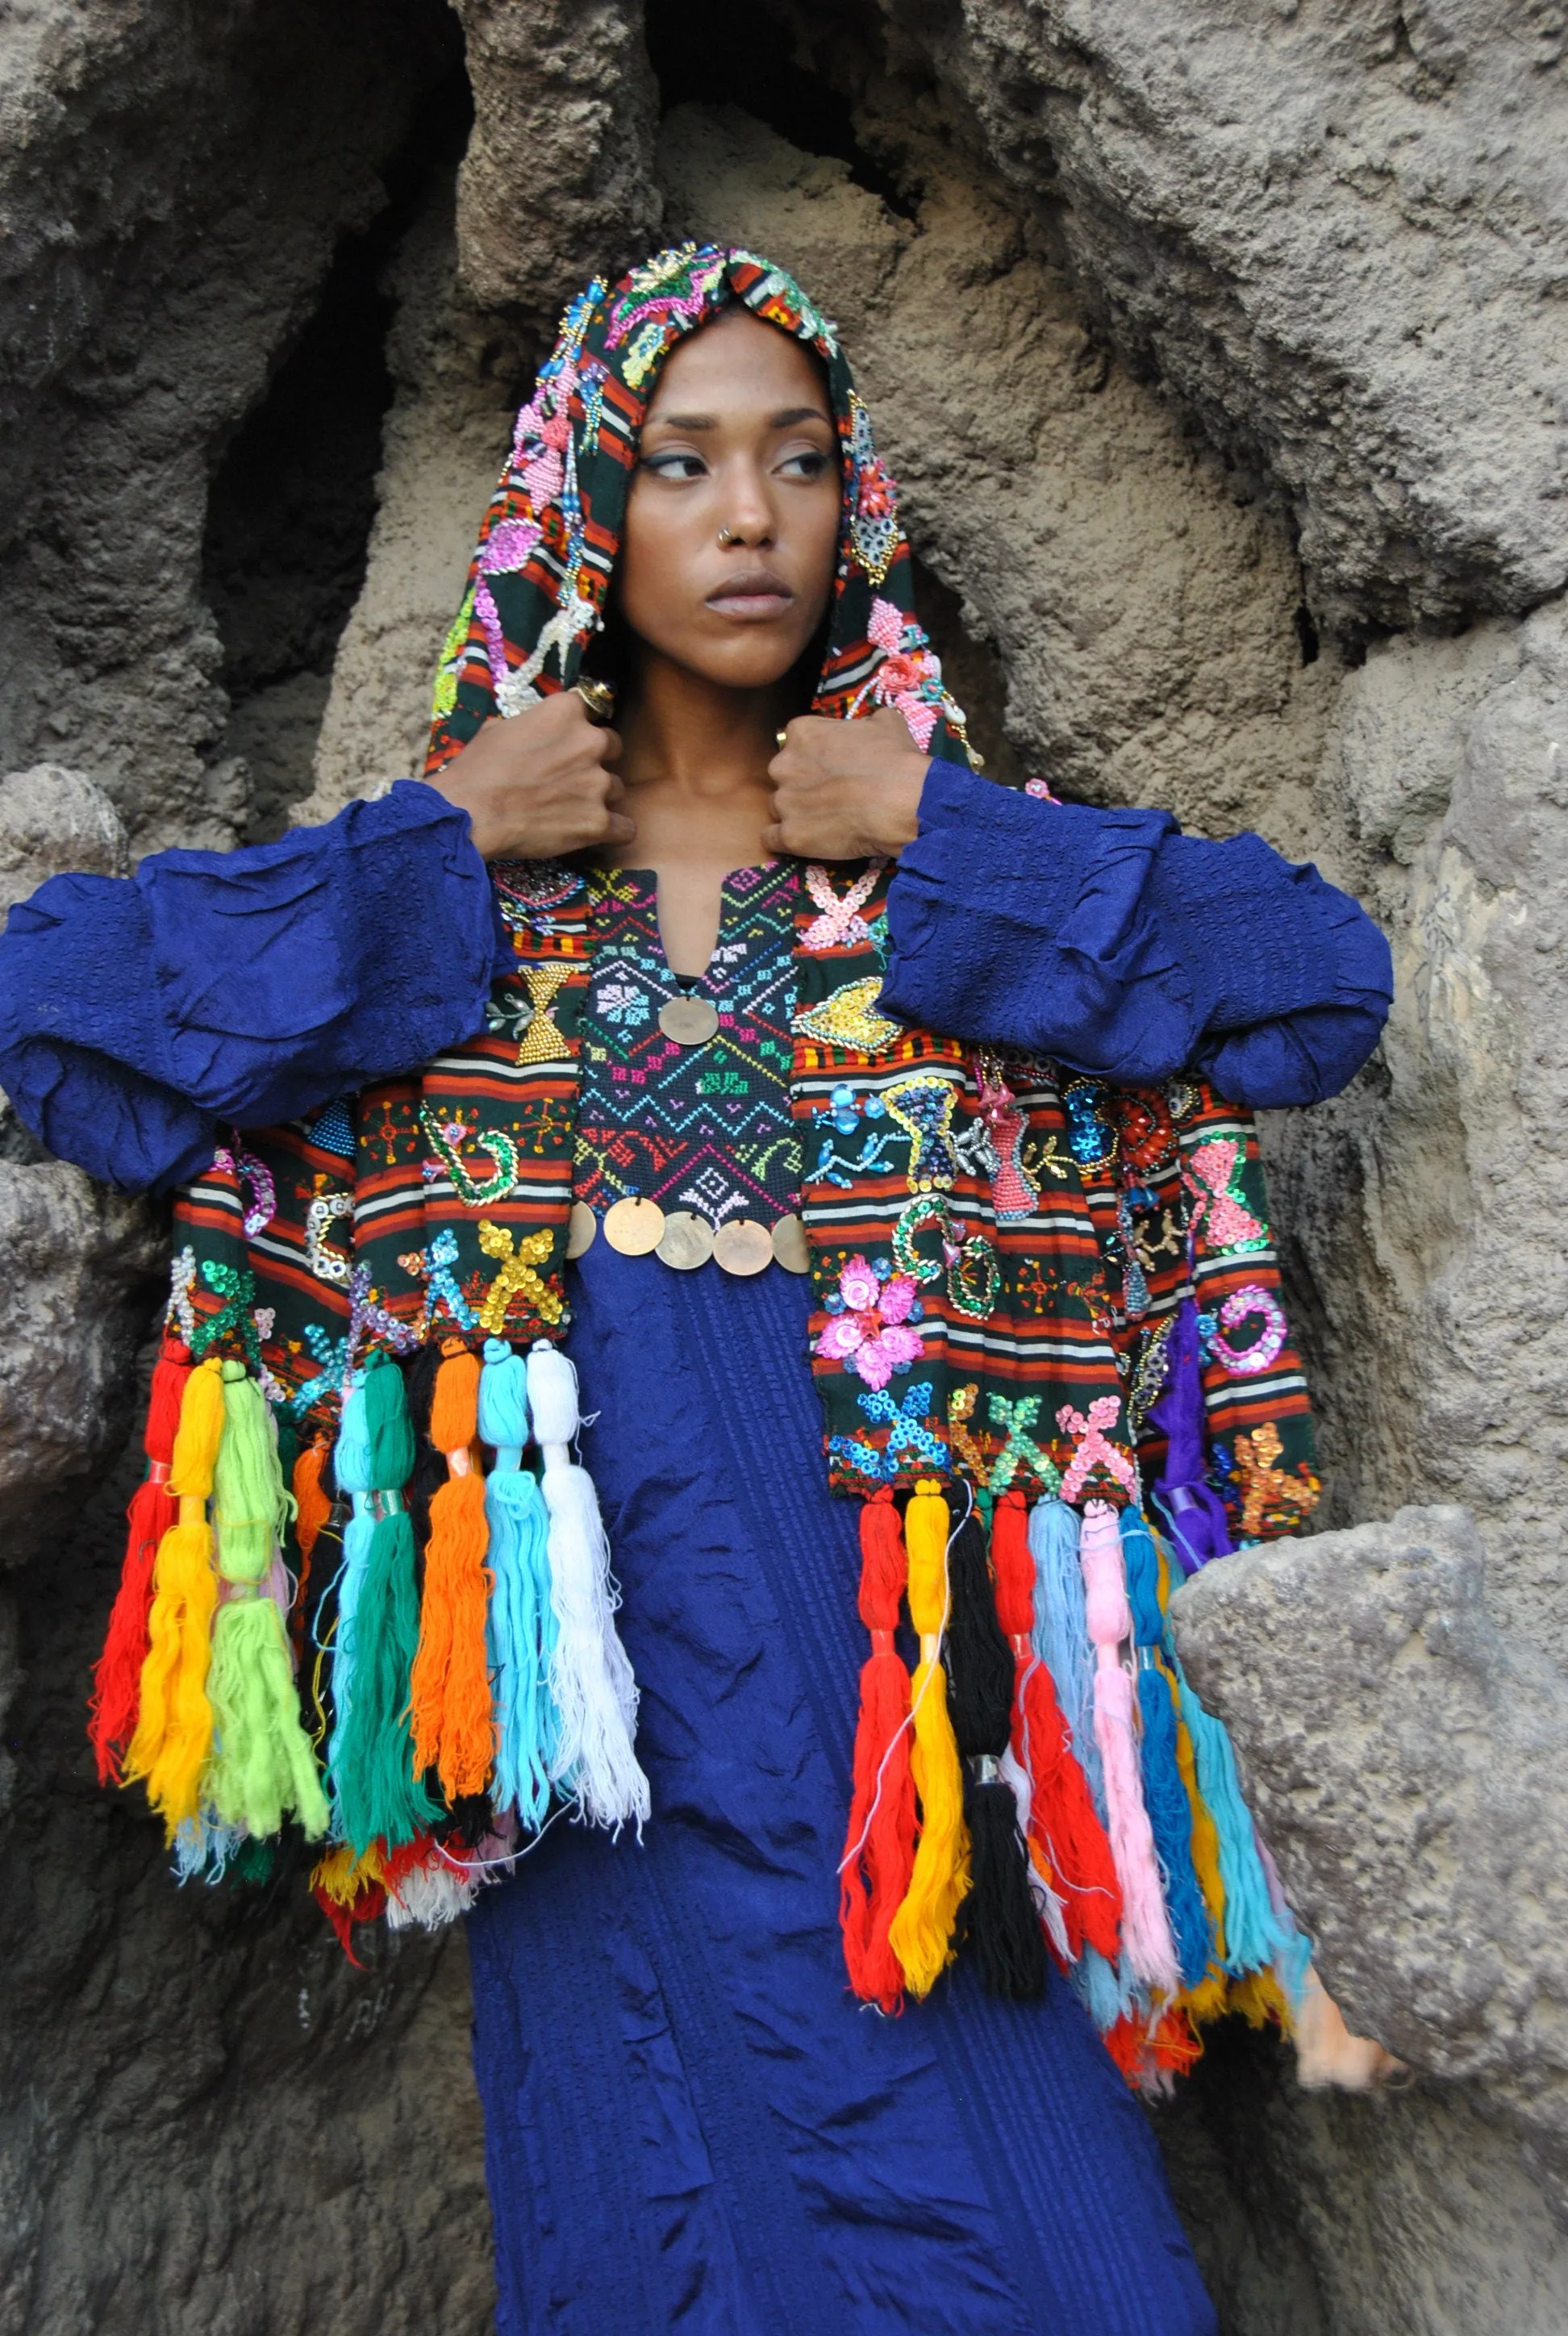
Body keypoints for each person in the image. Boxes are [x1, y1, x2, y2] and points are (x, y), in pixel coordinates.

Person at [0, 246, 1393, 2335]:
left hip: (918, 1807)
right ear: (588, 501)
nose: (751, 516)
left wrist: (941, 821)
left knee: (1059, 2269)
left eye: (801, 460)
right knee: (661, 2251)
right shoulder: (462, 908)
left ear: (860, 508)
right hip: (594, 1799)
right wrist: (435, 840)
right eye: (682, 462)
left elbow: (1317, 988)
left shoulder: (931, 889)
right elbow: (62, 1016)